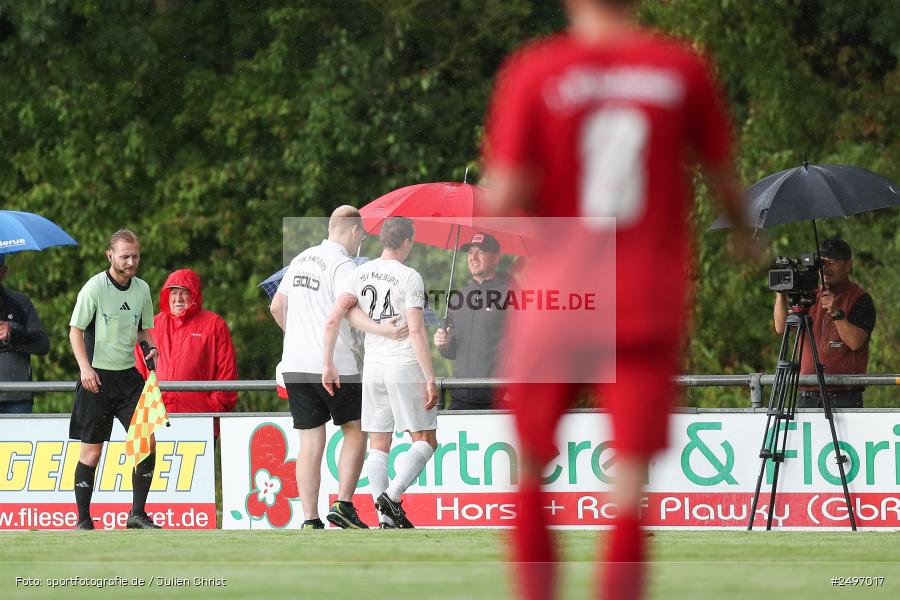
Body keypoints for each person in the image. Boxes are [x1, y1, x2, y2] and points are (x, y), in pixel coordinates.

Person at [481, 0, 757, 598]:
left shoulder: (536, 70)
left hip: (559, 298)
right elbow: (725, 179)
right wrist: (741, 235)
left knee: (528, 467)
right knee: (629, 485)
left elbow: (503, 194)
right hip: (643, 298)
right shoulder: (679, 67)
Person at [270, 206, 408, 530]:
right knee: (357, 430)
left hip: (294, 363)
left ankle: (309, 519)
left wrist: (298, 337)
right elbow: (348, 312)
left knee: (310, 441)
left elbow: (277, 305)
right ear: (355, 232)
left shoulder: (301, 259)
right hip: (334, 364)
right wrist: (381, 328)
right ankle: (344, 505)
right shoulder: (345, 265)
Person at [322, 216, 439, 529]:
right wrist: (429, 376)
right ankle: (393, 496)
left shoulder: (359, 272)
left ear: (382, 240)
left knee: (379, 443)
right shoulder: (409, 276)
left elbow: (342, 311)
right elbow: (415, 331)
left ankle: (385, 519)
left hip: (372, 366)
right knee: (426, 439)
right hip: (403, 365)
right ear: (406, 243)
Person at [68, 229, 161, 530]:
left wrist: (151, 347)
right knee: (91, 452)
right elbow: (75, 331)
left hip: (129, 379)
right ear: (110, 256)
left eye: (135, 256)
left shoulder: (143, 289)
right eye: (125, 256)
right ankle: (83, 521)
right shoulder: (94, 287)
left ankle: (137, 514)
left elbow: (143, 330)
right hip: (96, 379)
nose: (131, 262)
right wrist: (85, 368)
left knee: (146, 442)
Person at [773, 238, 876, 408]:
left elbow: (856, 342)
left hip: (844, 394)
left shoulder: (860, 298)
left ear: (848, 265)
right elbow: (780, 326)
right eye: (822, 263)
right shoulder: (810, 295)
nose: (826, 269)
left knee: (843, 437)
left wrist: (836, 313)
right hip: (807, 393)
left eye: (832, 263)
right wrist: (780, 292)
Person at [134, 269, 238, 418]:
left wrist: (213, 408)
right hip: (154, 418)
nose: (178, 298)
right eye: (174, 292)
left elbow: (227, 372)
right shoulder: (152, 326)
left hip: (200, 417)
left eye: (184, 292)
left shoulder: (215, 325)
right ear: (166, 295)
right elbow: (138, 370)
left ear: (195, 295)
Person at [434, 232, 513, 410]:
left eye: (480, 251)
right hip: (460, 396)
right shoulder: (458, 298)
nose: (473, 257)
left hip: (497, 398)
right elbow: (451, 351)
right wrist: (444, 344)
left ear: (496, 257)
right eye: (470, 252)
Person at [0, 254, 50, 414]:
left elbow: (43, 344)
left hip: (17, 399)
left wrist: (12, 335)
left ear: (4, 271)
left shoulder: (20, 302)